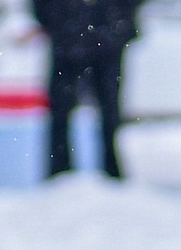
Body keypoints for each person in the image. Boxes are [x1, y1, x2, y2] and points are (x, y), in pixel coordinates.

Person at [34, 0, 141, 180]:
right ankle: (59, 175)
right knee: (61, 111)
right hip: (69, 36)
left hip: (106, 36)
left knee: (110, 112)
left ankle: (112, 173)